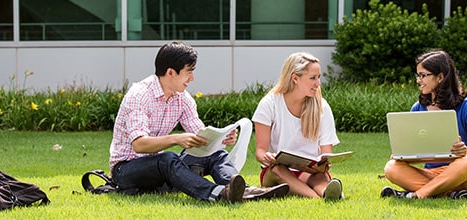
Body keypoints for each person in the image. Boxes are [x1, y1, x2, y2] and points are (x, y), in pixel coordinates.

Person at [109, 41, 288, 203]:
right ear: (171, 72)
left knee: (214, 153)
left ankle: (244, 191)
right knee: (167, 159)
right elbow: (139, 144)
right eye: (189, 72)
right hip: (125, 170)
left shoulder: (182, 99)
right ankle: (219, 193)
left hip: (158, 167)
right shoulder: (139, 95)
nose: (192, 78)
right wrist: (177, 139)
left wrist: (221, 139)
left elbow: (201, 137)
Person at [381, 49, 467, 199]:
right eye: (418, 75)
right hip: (432, 174)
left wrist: (465, 151)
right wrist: (402, 154)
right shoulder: (418, 108)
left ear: (440, 77)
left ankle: (418, 194)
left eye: (423, 75)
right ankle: (447, 193)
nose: (418, 80)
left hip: (463, 172)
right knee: (391, 167)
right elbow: (416, 155)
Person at [252, 52, 344, 200]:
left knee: (318, 177)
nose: (318, 83)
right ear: (295, 78)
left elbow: (326, 154)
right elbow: (260, 152)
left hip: (309, 172)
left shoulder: (322, 107)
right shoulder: (270, 104)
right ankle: (318, 199)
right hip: (275, 171)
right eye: (313, 78)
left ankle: (328, 193)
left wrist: (322, 166)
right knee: (278, 170)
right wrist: (267, 157)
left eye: (319, 77)